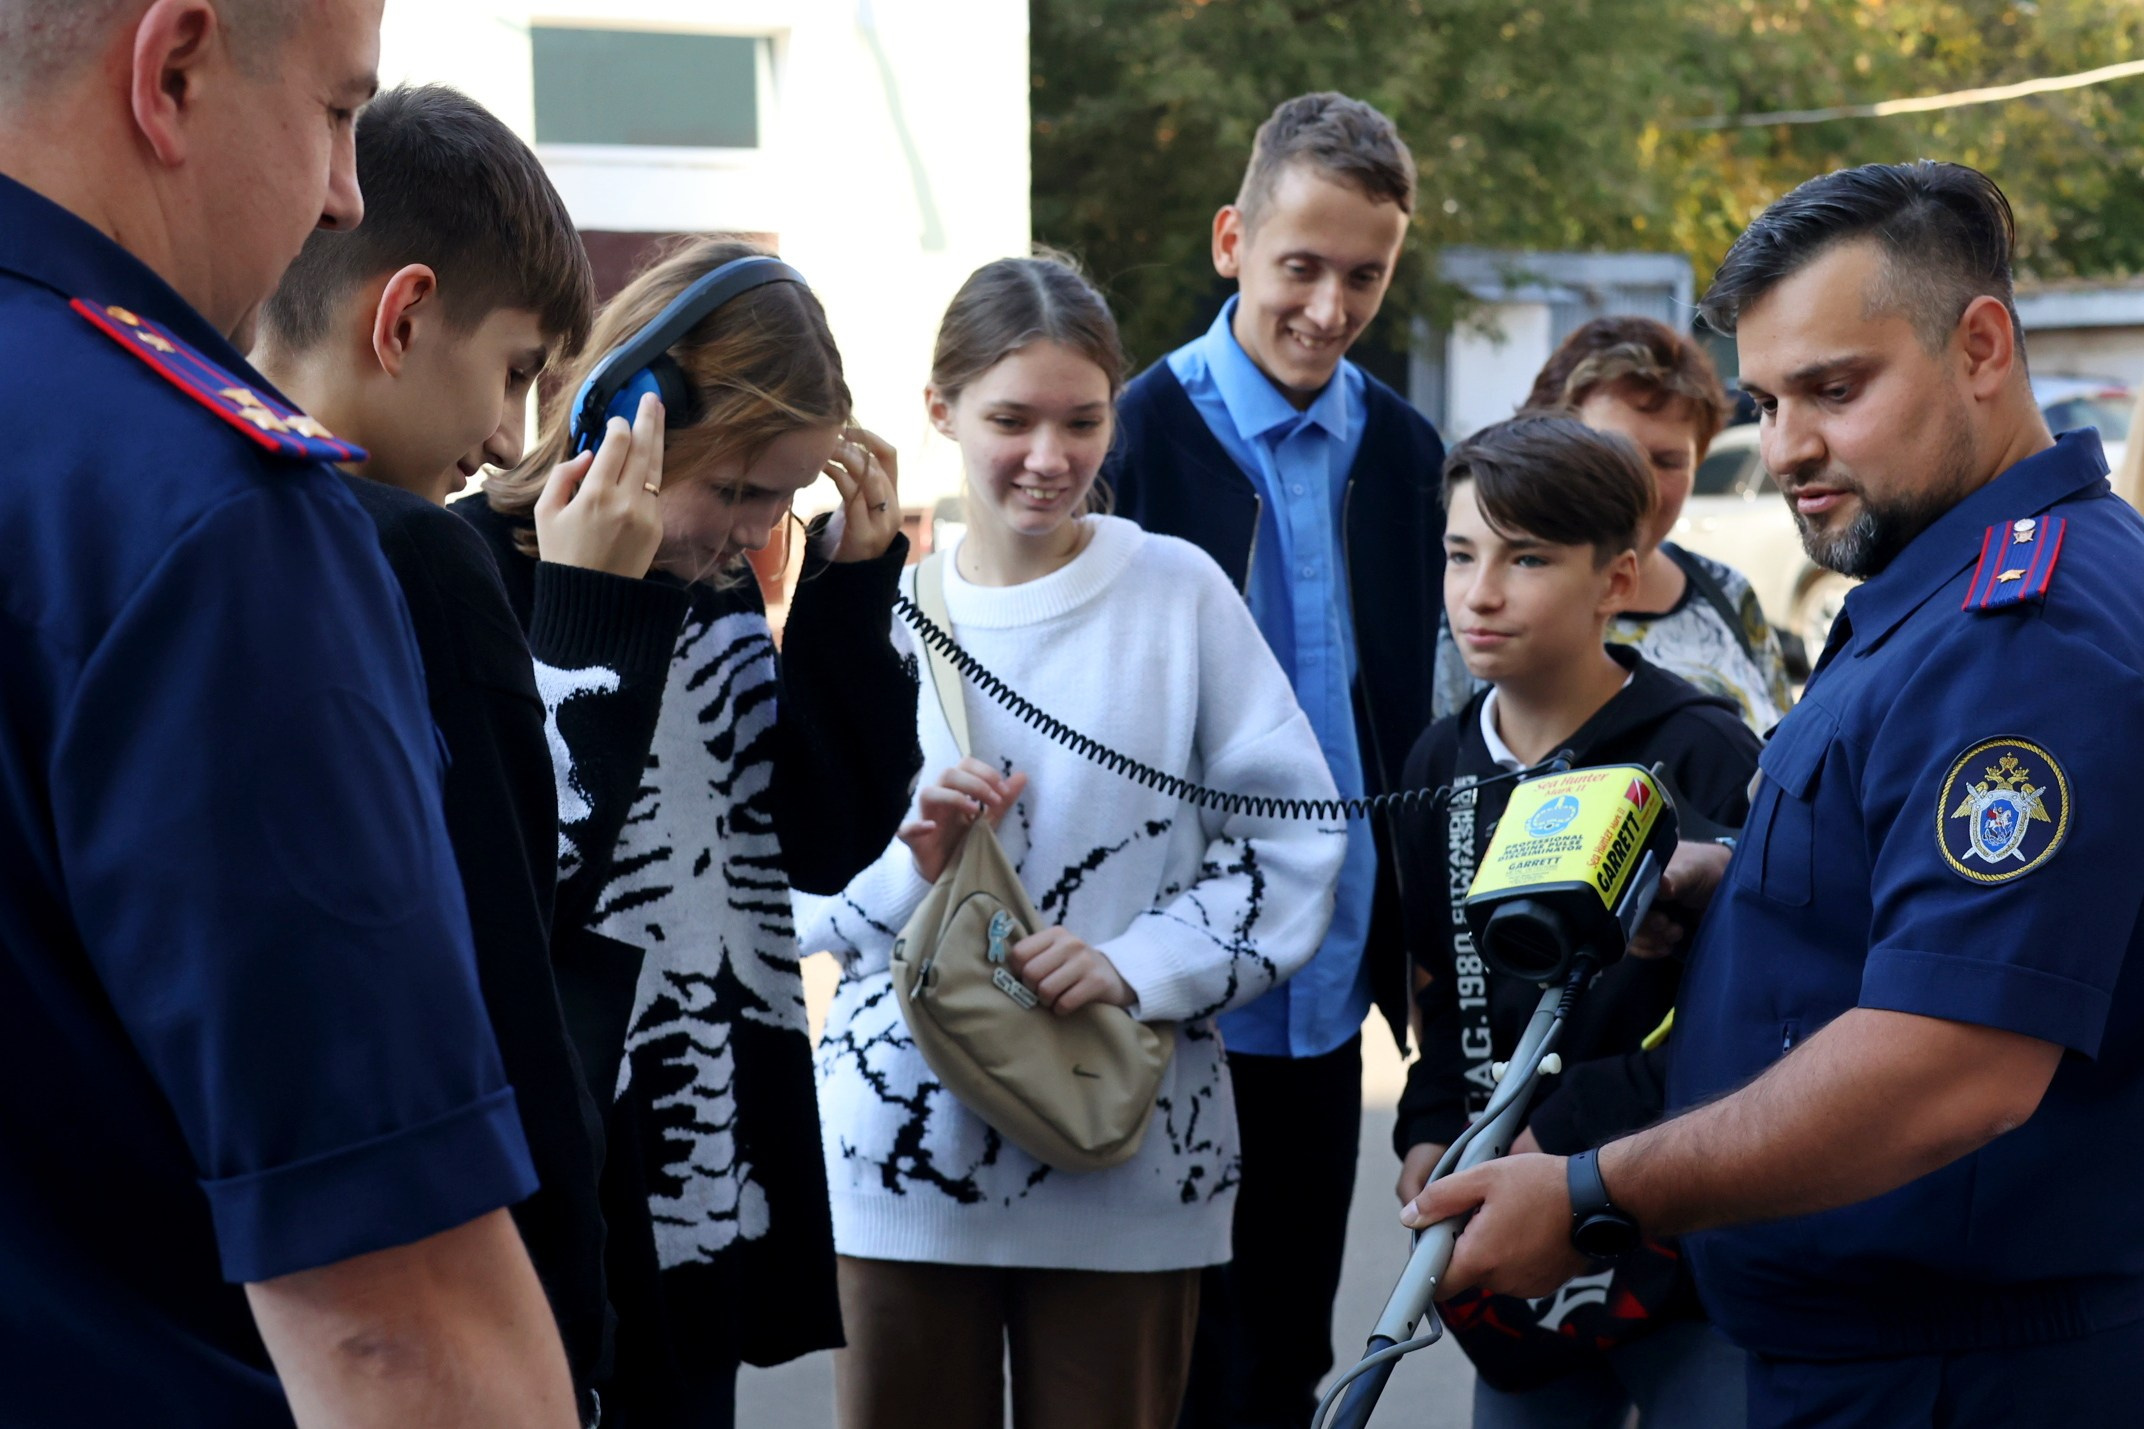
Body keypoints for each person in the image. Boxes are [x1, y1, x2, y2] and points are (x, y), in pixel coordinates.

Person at [1405, 161, 2144, 1428]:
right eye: (1763, 399)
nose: (1786, 446)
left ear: (1979, 347)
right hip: (1875, 1350)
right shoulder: (1940, 582)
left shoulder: (2023, 636)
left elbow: (1947, 1067)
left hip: (1953, 1373)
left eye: (1834, 390)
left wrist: (1591, 1193)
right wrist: (1725, 888)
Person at [0, 3, 575, 1426]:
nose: (344, 193)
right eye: (335, 111)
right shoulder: (208, 519)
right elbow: (397, 1326)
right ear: (175, 66)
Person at [799, 253, 1347, 1429]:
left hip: (1130, 1143)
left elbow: (1294, 839)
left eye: (1081, 420)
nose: (1048, 458)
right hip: (906, 1148)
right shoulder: (870, 604)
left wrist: (1135, 961)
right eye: (1010, 419)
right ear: (940, 410)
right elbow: (782, 892)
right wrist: (912, 861)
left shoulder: (1177, 589)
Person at [459, 235, 919, 1428]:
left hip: (694, 1192)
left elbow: (816, 843)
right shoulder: (463, 575)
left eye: (784, 498)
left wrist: (843, 601)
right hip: (557, 1173)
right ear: (630, 419)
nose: (751, 530)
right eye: (737, 490)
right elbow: (521, 880)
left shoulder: (709, 595)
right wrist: (589, 607)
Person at [252, 83, 660, 1420]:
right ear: (406, 312)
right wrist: (573, 1331)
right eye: (516, 370)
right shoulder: (415, 561)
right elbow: (510, 947)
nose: (506, 437)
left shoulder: (186, 513)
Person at [1101, 91, 1447, 1429]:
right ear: (1233, 238)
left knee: (1282, 1354)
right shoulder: (1131, 437)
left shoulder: (1411, 452)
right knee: (1161, 1352)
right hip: (1166, 972)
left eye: (1366, 273)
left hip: (1330, 973)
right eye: (1302, 263)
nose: (1331, 302)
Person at [1392, 413, 1760, 1428]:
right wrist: (1430, 1127)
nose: (1479, 592)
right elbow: (1438, 982)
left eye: (1528, 559)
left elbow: (1737, 1029)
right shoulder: (1436, 762)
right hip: (1510, 1271)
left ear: (1616, 579)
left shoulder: (1698, 754)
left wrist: (1560, 1128)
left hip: (1675, 1244)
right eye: (1460, 553)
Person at [1431, 316, 1793, 733]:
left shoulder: (1727, 592)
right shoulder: (1482, 611)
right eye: (1614, 456)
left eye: (1669, 461)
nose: (1644, 486)